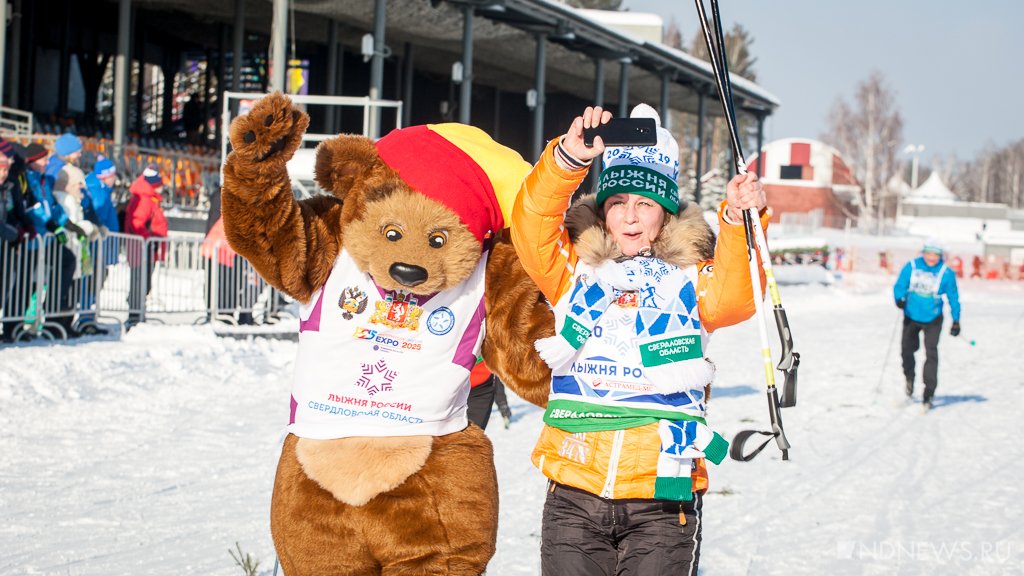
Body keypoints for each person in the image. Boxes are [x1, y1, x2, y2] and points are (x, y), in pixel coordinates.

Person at [509, 104, 768, 575]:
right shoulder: (573, 271)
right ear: (602, 209)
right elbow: (529, 226)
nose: (630, 218)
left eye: (645, 204)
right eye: (618, 202)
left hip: (663, 499)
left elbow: (738, 296)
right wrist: (568, 158)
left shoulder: (692, 279)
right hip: (574, 493)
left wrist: (739, 218)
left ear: (665, 214)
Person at [893, 238, 961, 411]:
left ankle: (928, 393)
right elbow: (900, 284)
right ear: (923, 253)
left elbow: (953, 297)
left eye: (936, 255)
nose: (932, 258)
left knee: (931, 354)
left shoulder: (946, 273)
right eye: (929, 253)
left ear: (941, 256)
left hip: (933, 319)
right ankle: (909, 378)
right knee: (907, 351)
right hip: (911, 316)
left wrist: (956, 320)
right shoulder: (912, 266)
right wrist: (899, 298)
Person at [124, 164, 169, 330]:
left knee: (143, 282)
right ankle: (134, 315)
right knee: (140, 281)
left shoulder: (149, 197)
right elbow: (137, 222)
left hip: (146, 247)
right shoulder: (144, 198)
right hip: (142, 248)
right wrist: (148, 242)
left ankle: (137, 313)